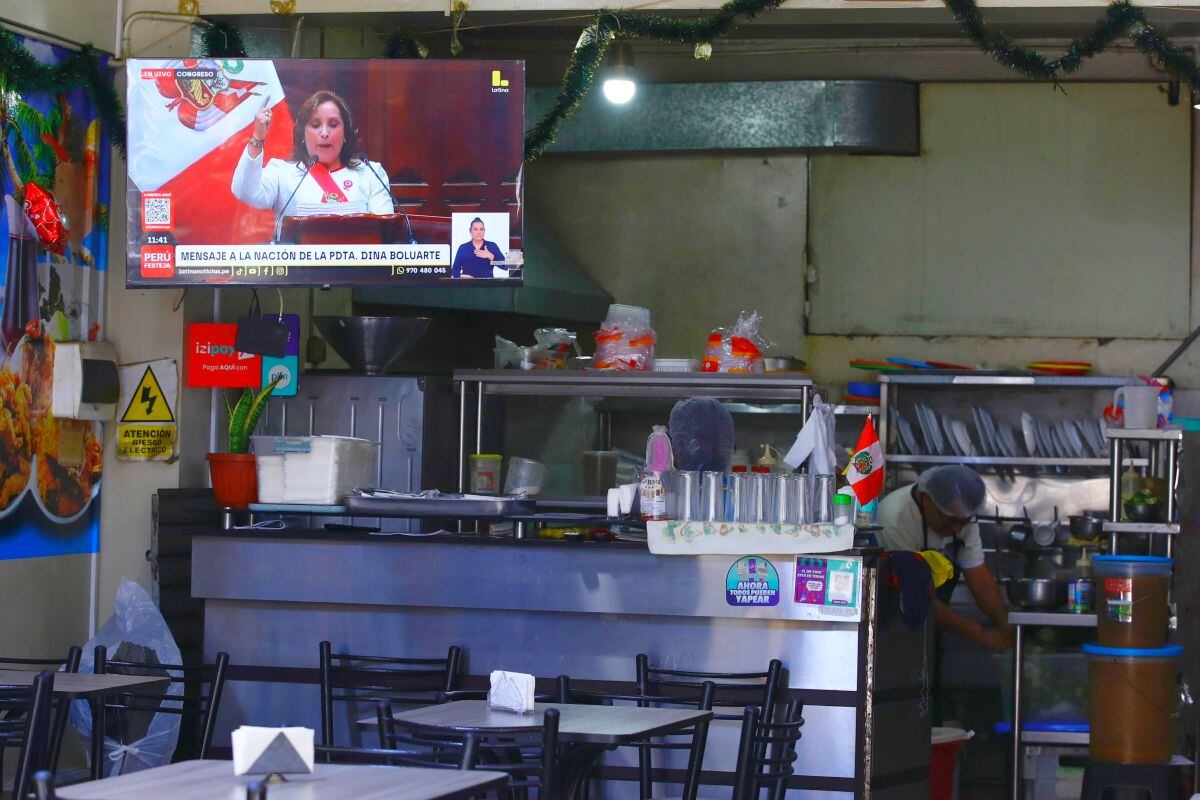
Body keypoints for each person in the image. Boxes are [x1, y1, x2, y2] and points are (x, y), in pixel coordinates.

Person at [876, 465, 1013, 653]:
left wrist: (1007, 625)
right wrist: (981, 633)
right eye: (950, 520)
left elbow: (979, 580)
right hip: (894, 626)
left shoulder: (961, 514)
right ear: (926, 500)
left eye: (963, 522)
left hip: (934, 621)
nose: (958, 529)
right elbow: (915, 595)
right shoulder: (896, 518)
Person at [231, 90, 394, 240]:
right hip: (295, 269)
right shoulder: (282, 172)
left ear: (345, 133)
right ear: (303, 134)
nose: (324, 133)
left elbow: (385, 232)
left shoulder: (370, 173)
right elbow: (244, 191)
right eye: (315, 125)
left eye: (333, 124)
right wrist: (258, 136)